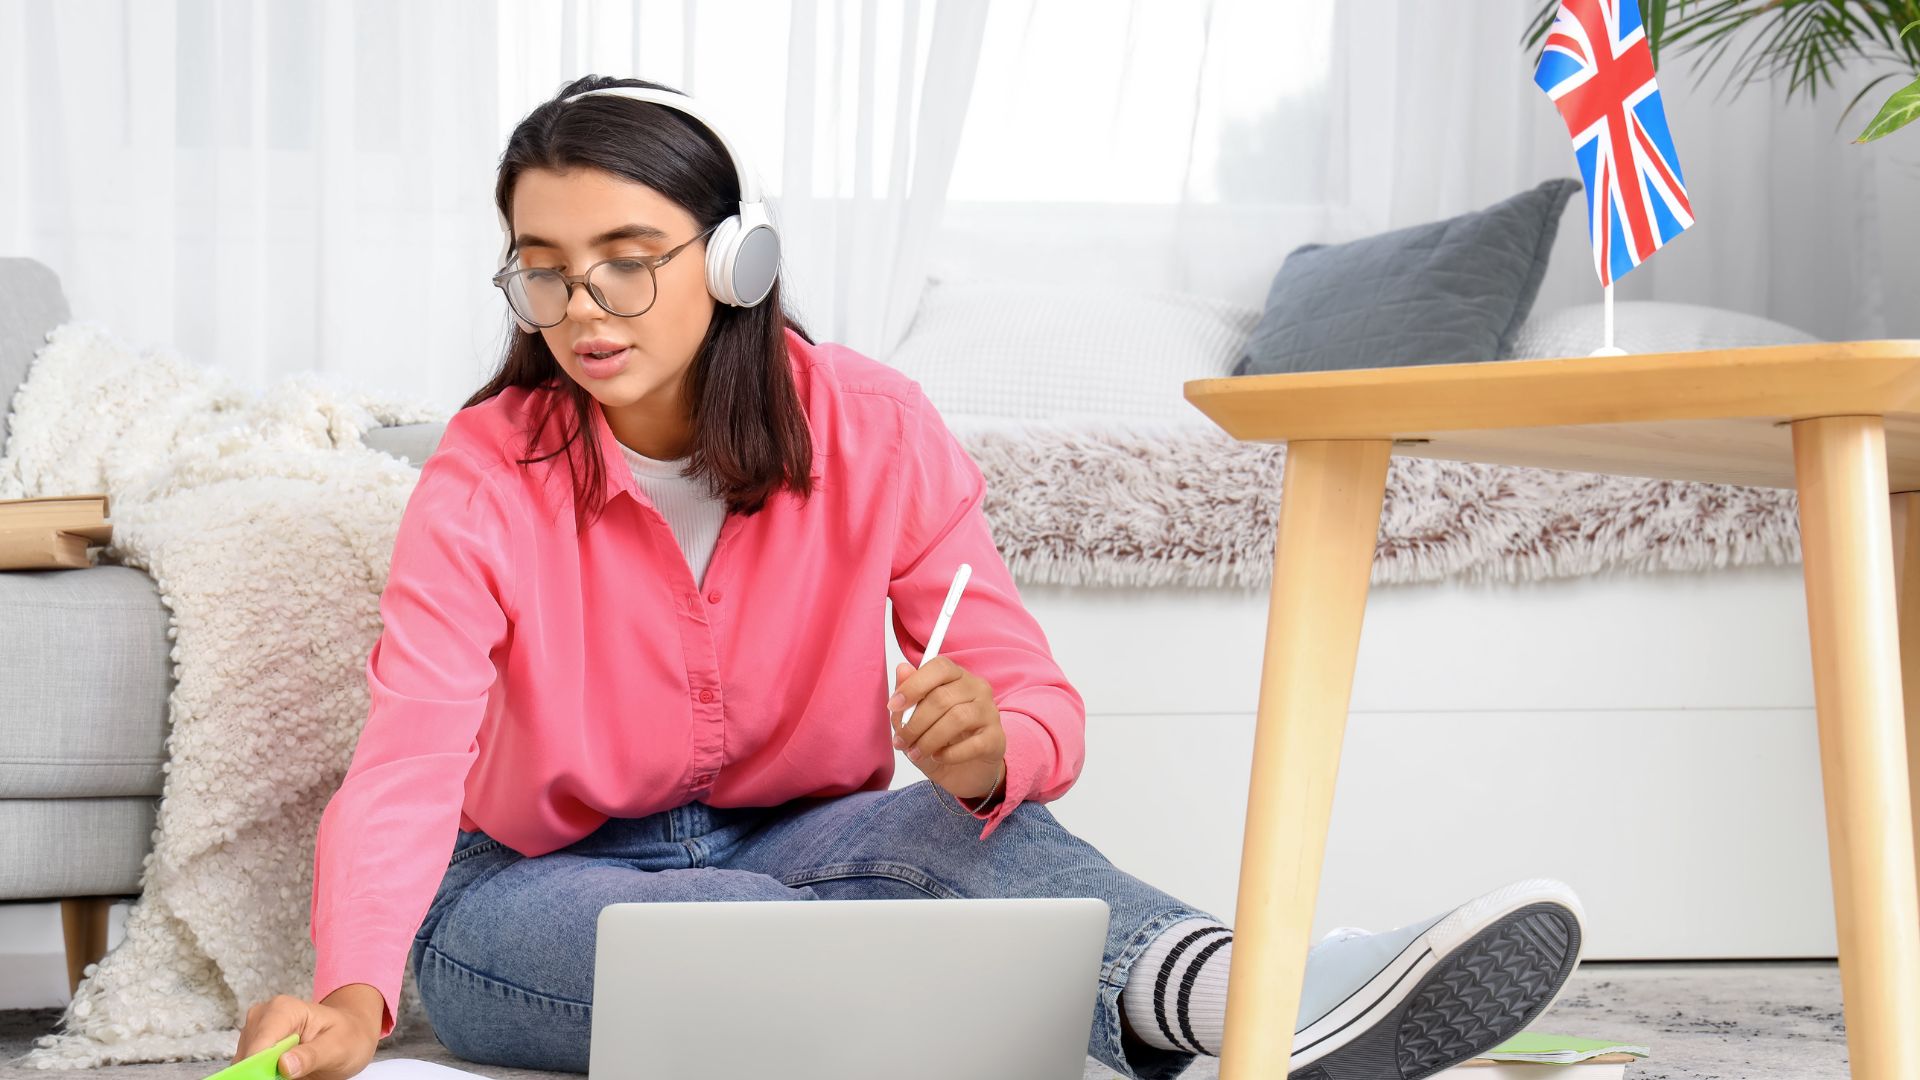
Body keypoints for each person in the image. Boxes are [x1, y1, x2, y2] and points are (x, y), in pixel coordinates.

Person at [232, 74, 1588, 1080]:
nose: (583, 310)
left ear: (734, 257)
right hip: (532, 888)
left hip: (804, 841)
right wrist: (354, 988)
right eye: (546, 276)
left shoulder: (871, 424)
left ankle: (1251, 998)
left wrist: (999, 749)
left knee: (955, 840)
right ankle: (1089, 1006)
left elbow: (1027, 692)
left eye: (628, 268)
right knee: (736, 939)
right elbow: (409, 759)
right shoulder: (487, 472)